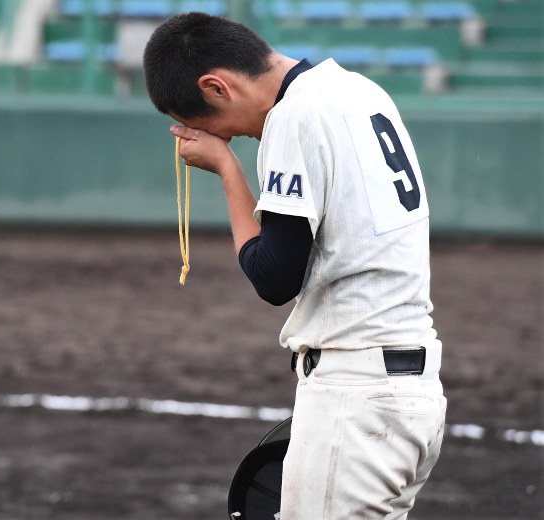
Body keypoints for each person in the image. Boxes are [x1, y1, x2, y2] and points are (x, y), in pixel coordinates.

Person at [143, 13, 447, 519]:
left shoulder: (294, 115)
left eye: (208, 124)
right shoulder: (358, 89)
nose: (224, 136)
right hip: (414, 396)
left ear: (216, 87)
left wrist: (227, 169)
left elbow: (273, 277)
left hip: (356, 399)